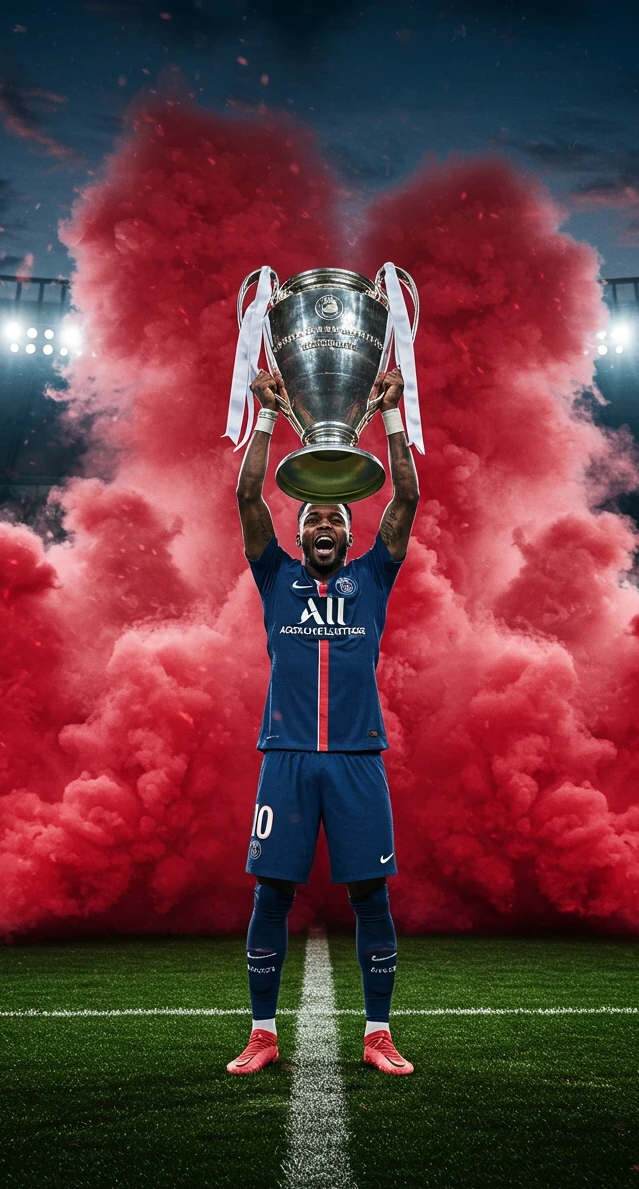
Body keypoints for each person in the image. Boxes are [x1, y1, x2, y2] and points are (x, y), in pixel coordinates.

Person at [226, 363, 419, 1076]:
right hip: (286, 758)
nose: (328, 524)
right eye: (315, 518)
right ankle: (262, 1034)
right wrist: (267, 415)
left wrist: (393, 417)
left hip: (357, 761)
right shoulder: (274, 577)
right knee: (272, 893)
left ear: (348, 528)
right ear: (299, 531)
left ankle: (377, 1033)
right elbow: (248, 494)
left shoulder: (372, 578)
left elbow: (407, 499)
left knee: (370, 896)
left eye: (336, 516)